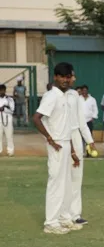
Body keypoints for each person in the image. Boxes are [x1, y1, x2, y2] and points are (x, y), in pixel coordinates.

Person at [32, 63, 81, 235]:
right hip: (58, 145)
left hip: (66, 144)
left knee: (67, 184)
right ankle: (51, 223)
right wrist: (50, 139)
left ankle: (64, 218)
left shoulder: (66, 96)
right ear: (55, 77)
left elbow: (67, 126)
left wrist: (74, 151)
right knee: (56, 184)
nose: (65, 80)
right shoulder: (51, 96)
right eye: (62, 76)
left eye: (68, 77)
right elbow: (36, 118)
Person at [67, 72, 96, 226]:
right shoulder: (54, 95)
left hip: (76, 136)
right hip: (62, 139)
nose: (74, 79)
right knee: (62, 180)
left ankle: (75, 214)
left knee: (76, 179)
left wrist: (89, 141)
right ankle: (62, 215)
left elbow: (81, 121)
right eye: (72, 76)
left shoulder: (75, 97)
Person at [0, 84, 15, 157]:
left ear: (5, 90)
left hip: (7, 120)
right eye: (0, 90)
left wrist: (4, 109)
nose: (1, 92)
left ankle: (10, 151)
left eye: (2, 90)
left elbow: (12, 110)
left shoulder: (9, 99)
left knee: (9, 136)